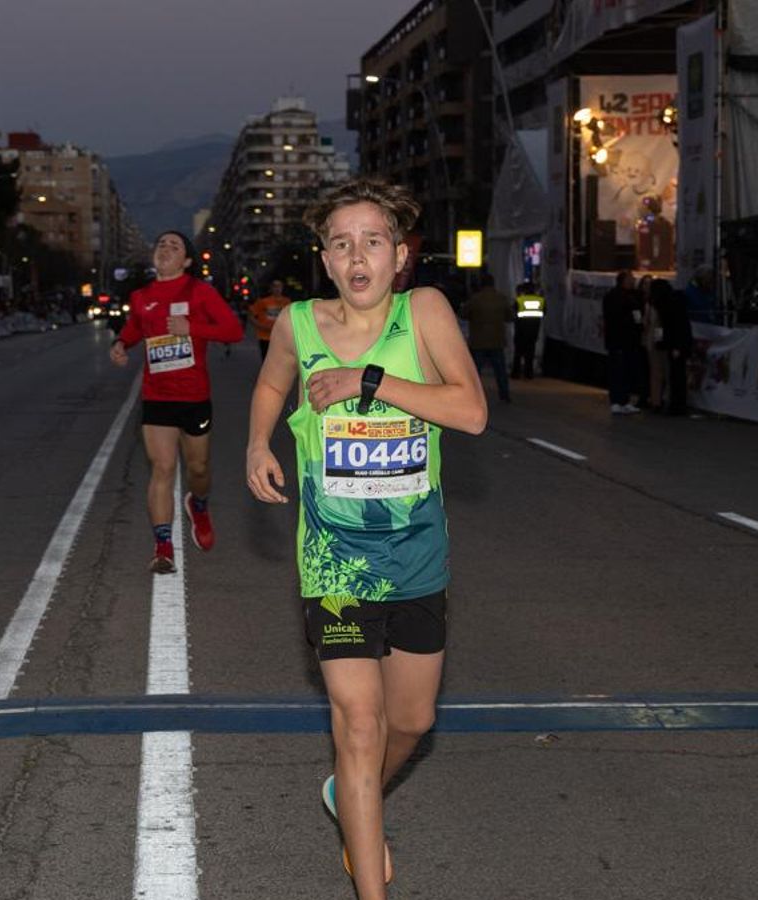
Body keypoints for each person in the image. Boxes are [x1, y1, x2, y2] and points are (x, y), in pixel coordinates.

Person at [245, 177, 486, 899]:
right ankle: (367, 863)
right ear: (325, 260)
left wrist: (367, 380)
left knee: (411, 722)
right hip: (335, 562)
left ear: (400, 255)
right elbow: (268, 385)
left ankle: (351, 802)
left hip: (417, 557)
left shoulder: (426, 313)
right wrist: (258, 442)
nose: (358, 256)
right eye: (342, 243)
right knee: (358, 723)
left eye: (373, 241)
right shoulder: (297, 323)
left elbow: (470, 411)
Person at [110, 230, 244, 573]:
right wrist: (121, 345)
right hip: (157, 397)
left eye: (175, 246)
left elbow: (233, 331)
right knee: (163, 467)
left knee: (198, 469)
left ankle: (198, 505)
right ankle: (163, 547)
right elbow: (135, 328)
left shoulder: (200, 292)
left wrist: (192, 327)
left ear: (186, 261)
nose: (165, 248)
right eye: (161, 244)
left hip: (194, 397)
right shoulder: (142, 297)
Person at [463, 272, 514, 403]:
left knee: (475, 372)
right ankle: (504, 395)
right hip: (497, 340)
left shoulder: (475, 299)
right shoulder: (501, 298)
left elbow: (463, 314)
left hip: (478, 340)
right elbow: (510, 317)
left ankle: (472, 396)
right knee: (500, 371)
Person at [602, 271, 643, 414]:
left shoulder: (633, 296)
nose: (633, 281)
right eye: (630, 279)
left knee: (628, 370)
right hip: (618, 340)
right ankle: (616, 400)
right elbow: (613, 319)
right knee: (618, 370)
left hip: (629, 341)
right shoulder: (614, 297)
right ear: (623, 281)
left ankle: (625, 400)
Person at [649, 279, 692, 415]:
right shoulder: (674, 301)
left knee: (676, 374)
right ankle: (677, 404)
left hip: (675, 343)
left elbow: (674, 326)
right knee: (676, 374)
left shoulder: (668, 304)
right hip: (678, 342)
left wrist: (675, 346)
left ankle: (677, 405)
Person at [249, 279, 293, 359]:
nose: (277, 289)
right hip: (265, 336)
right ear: (271, 288)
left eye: (279, 286)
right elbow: (251, 315)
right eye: (275, 286)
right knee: (266, 359)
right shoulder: (263, 302)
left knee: (280, 359)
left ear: (282, 288)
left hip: (281, 336)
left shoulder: (287, 302)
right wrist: (260, 326)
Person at [512, 281, 544, 378]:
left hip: (521, 330)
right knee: (530, 353)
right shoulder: (540, 300)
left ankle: (516, 373)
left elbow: (513, 311)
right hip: (533, 331)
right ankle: (528, 373)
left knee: (518, 353)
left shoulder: (519, 300)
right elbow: (544, 312)